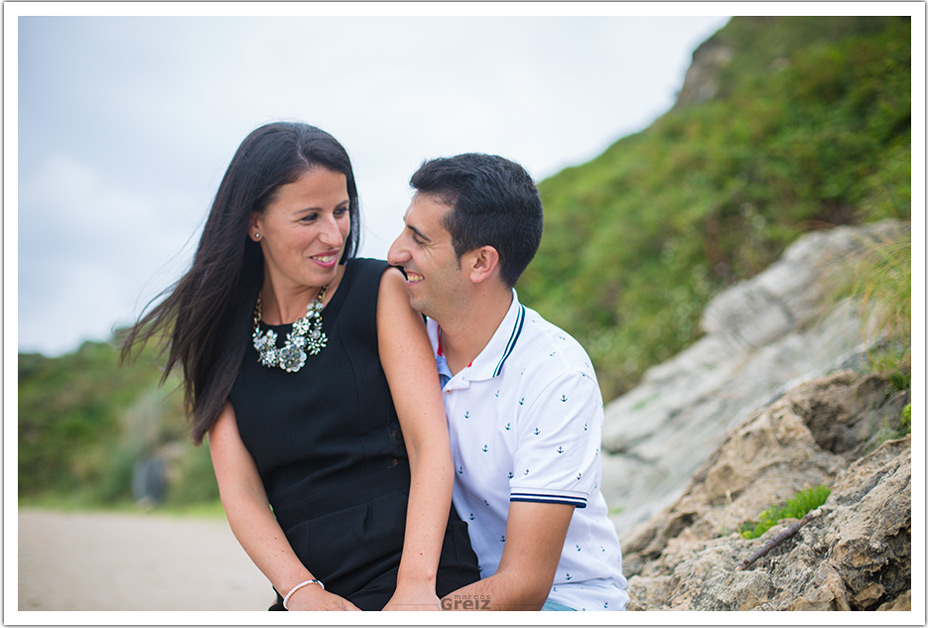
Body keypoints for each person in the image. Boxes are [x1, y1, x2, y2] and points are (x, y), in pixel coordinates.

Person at [122, 122, 479, 611]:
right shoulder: (215, 336)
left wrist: (416, 584)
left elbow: (428, 443)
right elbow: (241, 490)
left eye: (342, 210)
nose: (333, 235)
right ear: (255, 223)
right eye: (309, 217)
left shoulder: (379, 289)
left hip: (416, 566)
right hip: (308, 583)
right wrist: (299, 591)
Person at [387, 153, 630, 611]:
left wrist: (426, 615)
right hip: (447, 584)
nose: (396, 253)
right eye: (404, 229)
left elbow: (525, 583)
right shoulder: (406, 339)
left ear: (481, 262)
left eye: (419, 240)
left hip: (563, 602)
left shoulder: (556, 376)